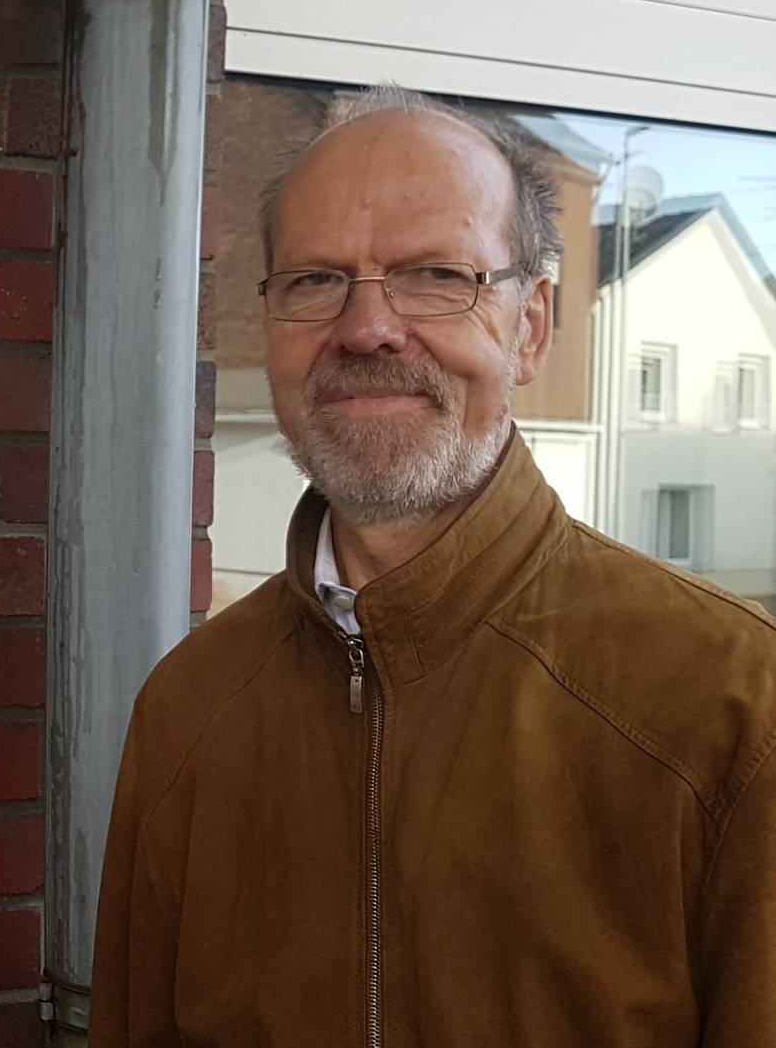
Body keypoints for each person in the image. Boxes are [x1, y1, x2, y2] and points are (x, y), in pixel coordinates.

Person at [90, 87, 776, 1046]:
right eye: (316, 280)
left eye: (436, 275)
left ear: (530, 326)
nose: (367, 327)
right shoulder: (188, 710)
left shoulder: (730, 707)